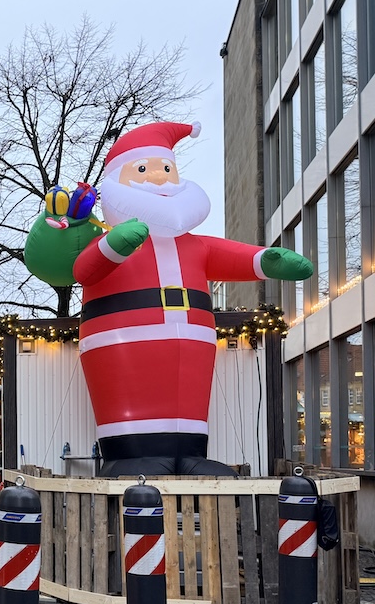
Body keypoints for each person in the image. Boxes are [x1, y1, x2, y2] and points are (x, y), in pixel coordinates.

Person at [24, 121, 312, 477]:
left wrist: (266, 260)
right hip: (121, 338)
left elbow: (231, 255)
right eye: (142, 169)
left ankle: (190, 454)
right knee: (131, 393)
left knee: (191, 395)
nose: (158, 178)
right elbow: (85, 269)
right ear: (114, 183)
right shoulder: (111, 237)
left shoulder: (194, 244)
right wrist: (114, 245)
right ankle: (127, 455)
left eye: (166, 168)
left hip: (194, 339)